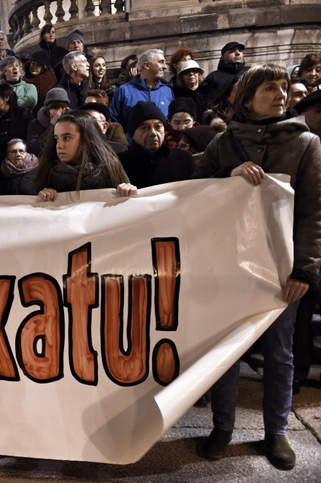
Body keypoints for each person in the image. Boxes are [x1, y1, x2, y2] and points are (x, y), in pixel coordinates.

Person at [194, 64, 321, 471]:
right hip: (231, 266)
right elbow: (191, 196)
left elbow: (313, 214)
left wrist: (304, 270)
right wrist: (226, 179)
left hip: (282, 270)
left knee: (280, 354)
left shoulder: (306, 144)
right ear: (247, 98)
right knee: (228, 351)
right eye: (271, 88)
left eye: (285, 87)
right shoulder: (222, 144)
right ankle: (223, 427)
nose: (281, 94)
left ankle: (276, 433)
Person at [34, 112, 136, 201]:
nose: (59, 145)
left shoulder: (109, 168)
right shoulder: (46, 171)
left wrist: (127, 191)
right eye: (57, 139)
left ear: (86, 139)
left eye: (67, 138)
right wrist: (41, 198)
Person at [118, 101, 195, 188]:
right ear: (133, 134)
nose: (153, 133)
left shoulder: (183, 159)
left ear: (165, 130)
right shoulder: (118, 164)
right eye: (144, 128)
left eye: (158, 127)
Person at [110, 49, 174, 133]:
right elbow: (114, 121)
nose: (165, 66)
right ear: (147, 65)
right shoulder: (124, 91)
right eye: (161, 62)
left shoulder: (167, 91)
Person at [0, 82, 33, 174]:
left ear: (6, 98)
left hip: (22, 164)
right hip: (1, 165)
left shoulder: (24, 114)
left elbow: (29, 139)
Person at [27, 87, 69, 156]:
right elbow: (33, 150)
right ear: (48, 109)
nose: (58, 112)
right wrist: (52, 126)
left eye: (62, 107)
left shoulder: (71, 122)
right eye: (55, 107)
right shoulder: (35, 124)